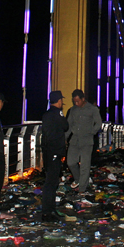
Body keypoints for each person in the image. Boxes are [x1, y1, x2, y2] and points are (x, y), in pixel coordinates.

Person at [66, 89, 102, 194]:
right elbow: (69, 125)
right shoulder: (73, 110)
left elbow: (98, 123)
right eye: (74, 102)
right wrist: (65, 137)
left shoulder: (92, 109)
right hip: (74, 140)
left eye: (78, 101)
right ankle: (78, 179)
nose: (76, 103)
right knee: (71, 162)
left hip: (87, 141)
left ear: (83, 99)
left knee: (85, 166)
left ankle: (82, 189)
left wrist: (92, 132)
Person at [40, 91, 68, 222]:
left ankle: (50, 210)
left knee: (51, 181)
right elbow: (65, 126)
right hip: (54, 151)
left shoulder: (46, 115)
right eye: (61, 100)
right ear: (58, 101)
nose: (62, 102)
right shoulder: (57, 113)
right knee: (51, 182)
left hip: (48, 152)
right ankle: (47, 212)